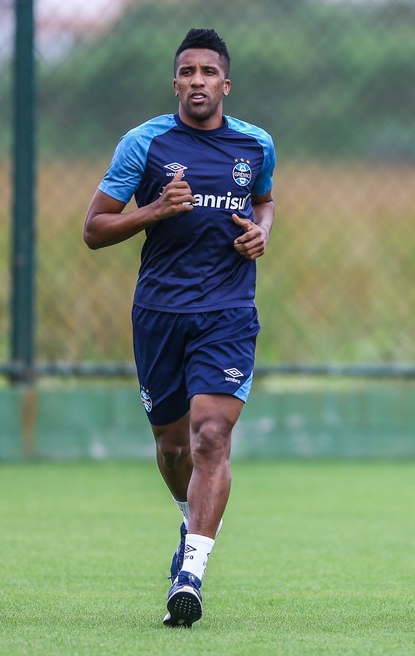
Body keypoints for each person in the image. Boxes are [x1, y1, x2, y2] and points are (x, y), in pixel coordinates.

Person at [83, 28, 275, 628]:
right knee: (171, 447)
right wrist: (155, 211)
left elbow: (263, 200)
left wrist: (262, 230)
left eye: (208, 73)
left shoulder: (254, 144)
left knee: (211, 436)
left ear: (226, 83)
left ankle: (190, 571)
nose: (198, 82)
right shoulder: (145, 144)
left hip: (227, 313)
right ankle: (187, 515)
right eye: (187, 73)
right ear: (175, 83)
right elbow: (94, 228)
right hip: (160, 315)